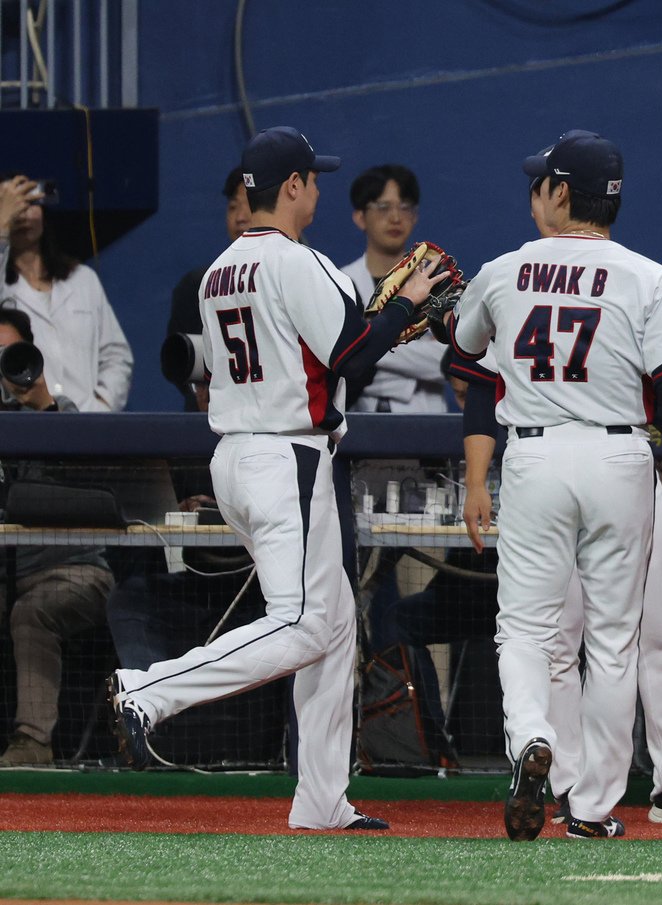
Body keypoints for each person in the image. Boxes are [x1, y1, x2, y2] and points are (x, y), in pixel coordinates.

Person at [106, 125, 448, 830]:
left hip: (241, 452)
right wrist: (409, 303)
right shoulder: (300, 263)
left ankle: (321, 800)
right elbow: (352, 359)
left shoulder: (220, 268)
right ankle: (149, 690)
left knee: (331, 627)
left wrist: (387, 309)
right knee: (297, 624)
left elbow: (321, 346)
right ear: (291, 185)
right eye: (312, 179)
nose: (316, 188)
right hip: (285, 455)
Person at [450, 129, 662, 841]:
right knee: (613, 641)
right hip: (618, 456)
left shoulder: (507, 269)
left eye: (542, 181)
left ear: (560, 193)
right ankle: (594, 808)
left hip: (537, 453)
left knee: (525, 627)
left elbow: (464, 351)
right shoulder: (648, 276)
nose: (536, 190)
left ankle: (532, 738)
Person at [452, 344, 662, 825]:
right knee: (566, 640)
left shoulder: (617, 281)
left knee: (656, 632)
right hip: (583, 462)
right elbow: (477, 381)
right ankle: (570, 785)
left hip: (606, 456)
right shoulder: (521, 280)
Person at [0, 309, 115, 766]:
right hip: (9, 574)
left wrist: (40, 403)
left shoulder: (61, 414)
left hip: (77, 572)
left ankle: (32, 744)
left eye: (12, 354)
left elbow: (75, 475)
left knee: (33, 612)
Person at [0, 173, 132, 412]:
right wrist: (1, 227)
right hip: (26, 422)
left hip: (86, 421)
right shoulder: (4, 286)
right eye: (13, 206)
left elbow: (115, 354)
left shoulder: (82, 279)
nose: (23, 215)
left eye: (30, 204)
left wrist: (102, 406)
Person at [342, 164, 447, 413]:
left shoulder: (436, 276)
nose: (396, 217)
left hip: (432, 430)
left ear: (416, 215)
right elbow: (343, 368)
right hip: (363, 431)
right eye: (383, 207)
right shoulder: (342, 281)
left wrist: (368, 348)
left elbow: (445, 361)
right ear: (359, 217)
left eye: (405, 207)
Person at [166, 168, 253, 410]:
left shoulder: (294, 278)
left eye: (249, 206)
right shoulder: (199, 285)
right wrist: (198, 389)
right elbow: (180, 358)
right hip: (206, 426)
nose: (240, 217)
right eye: (233, 207)